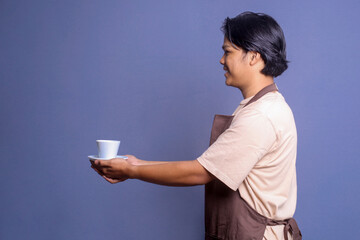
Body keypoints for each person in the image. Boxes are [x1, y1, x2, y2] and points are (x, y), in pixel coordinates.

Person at [90, 11, 302, 240]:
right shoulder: (259, 107)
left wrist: (132, 170)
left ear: (254, 57)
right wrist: (136, 162)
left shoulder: (261, 115)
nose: (222, 60)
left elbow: (202, 171)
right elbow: (214, 165)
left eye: (228, 51)